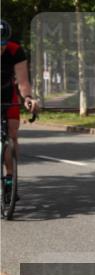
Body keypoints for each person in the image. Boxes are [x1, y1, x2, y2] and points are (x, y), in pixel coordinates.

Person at [1, 19, 40, 192]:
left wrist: (28, 98)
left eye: (3, 43)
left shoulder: (15, 50)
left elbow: (23, 81)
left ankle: (10, 177)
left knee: (12, 133)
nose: (1, 48)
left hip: (8, 93)